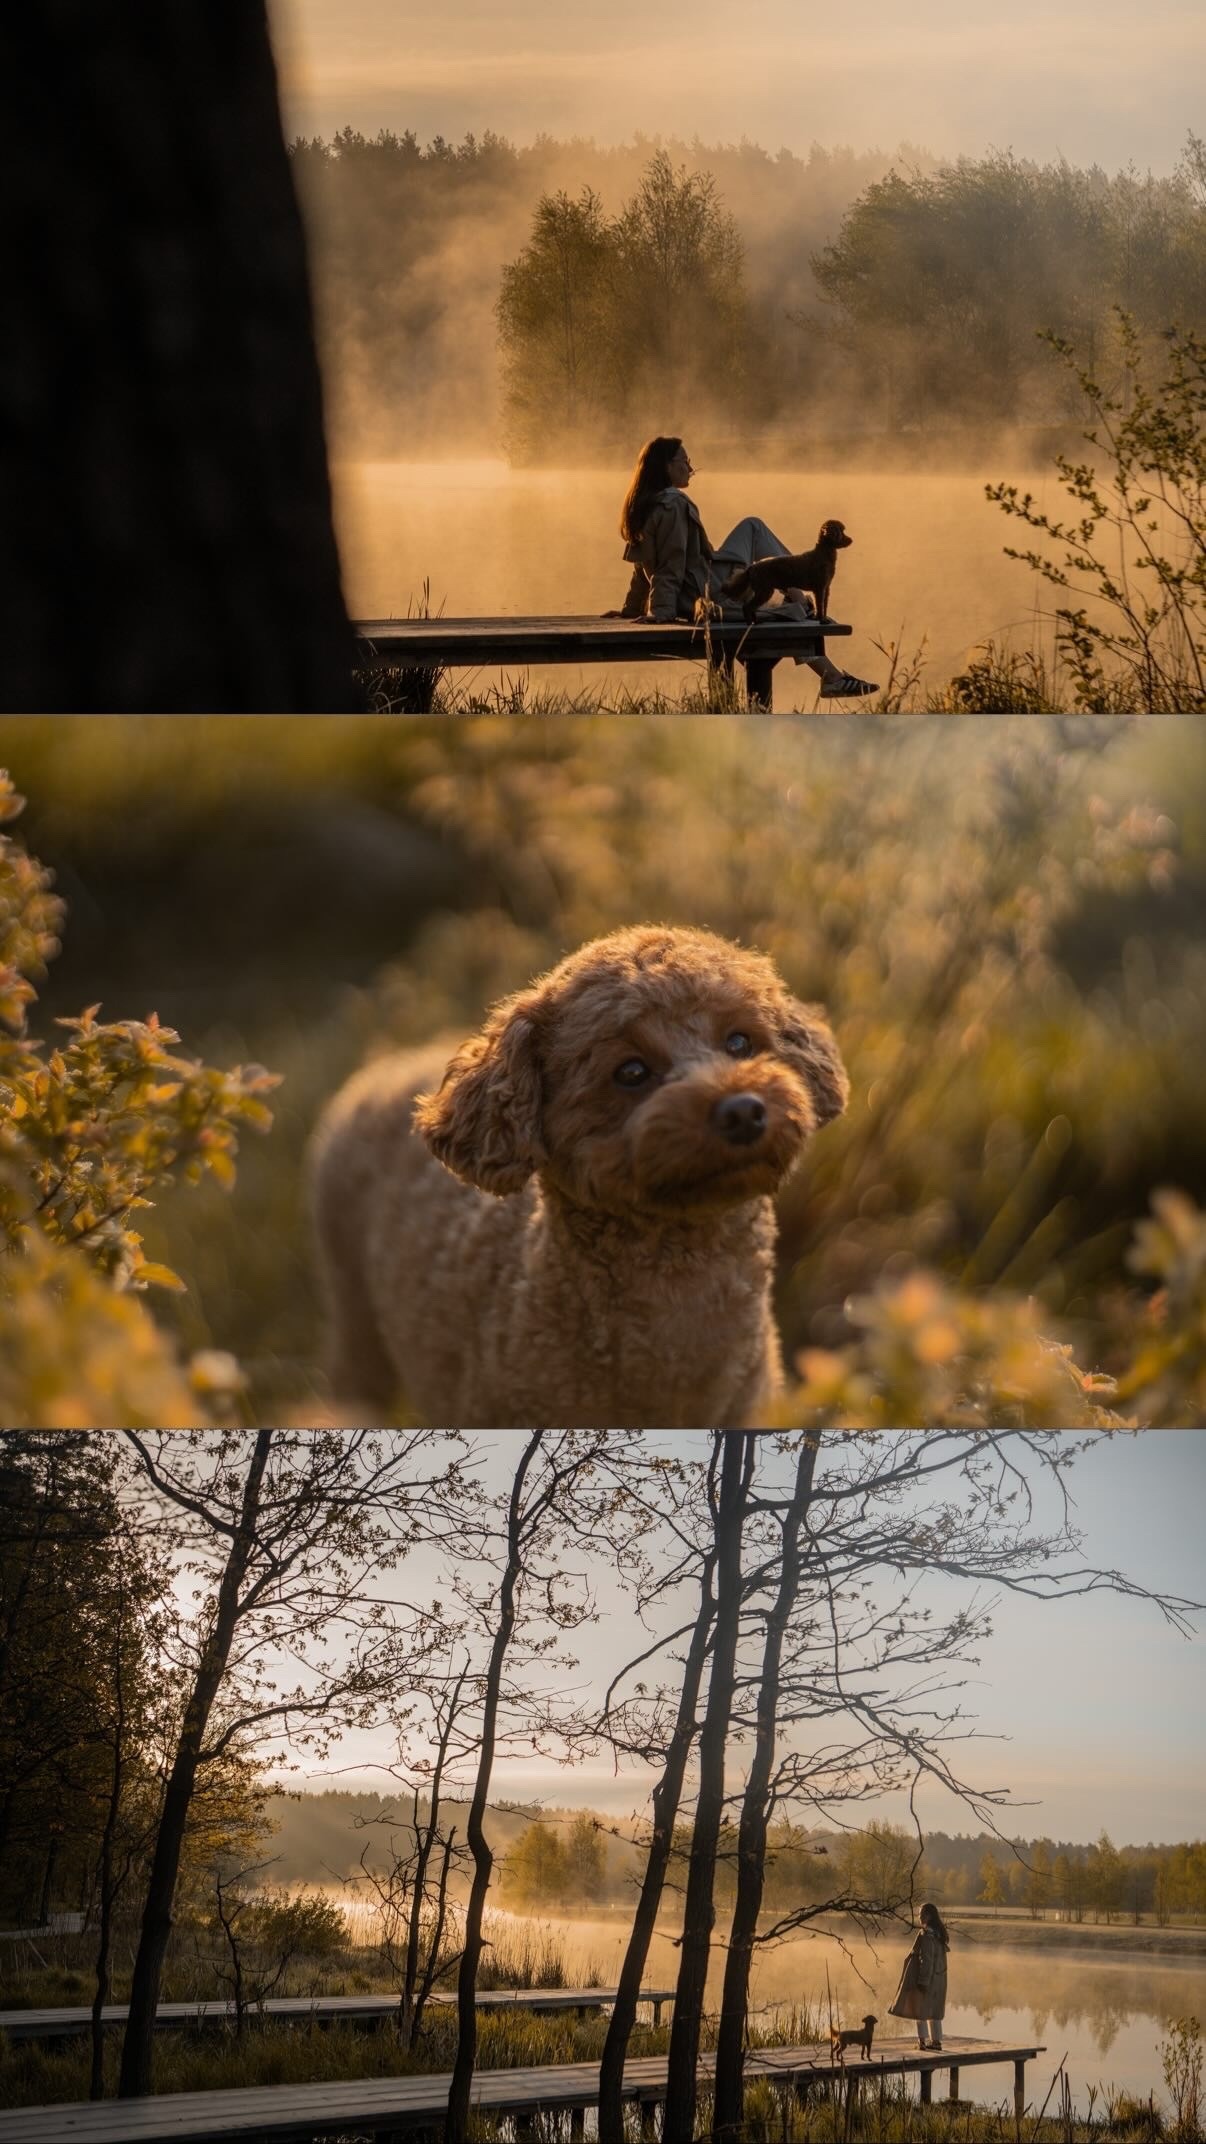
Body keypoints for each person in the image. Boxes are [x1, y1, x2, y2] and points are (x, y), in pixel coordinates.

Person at [610, 435, 878, 699]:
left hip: (704, 579)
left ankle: (801, 605)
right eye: (685, 461)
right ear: (666, 466)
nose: (691, 468)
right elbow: (671, 562)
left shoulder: (646, 503)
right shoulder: (673, 504)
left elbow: (642, 566)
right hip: (706, 592)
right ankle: (821, 651)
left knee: (753, 527)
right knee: (788, 613)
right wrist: (661, 612)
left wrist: (631, 608)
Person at [888, 1901, 950, 2050]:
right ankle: (936, 2042)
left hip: (926, 1979)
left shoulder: (927, 1935)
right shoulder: (939, 1935)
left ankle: (922, 2042)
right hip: (938, 1980)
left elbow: (926, 1960)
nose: (919, 1916)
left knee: (919, 2010)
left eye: (921, 1914)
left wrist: (922, 1981)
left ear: (928, 1916)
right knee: (932, 2011)